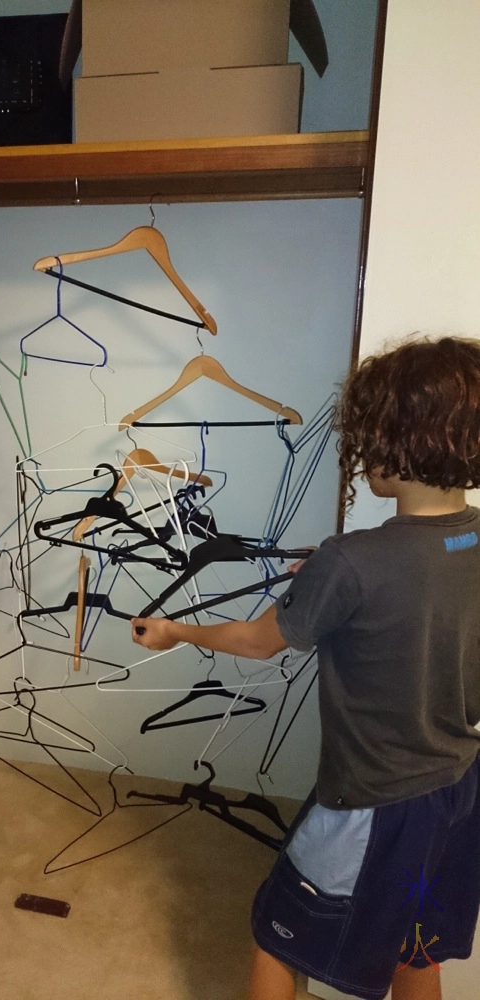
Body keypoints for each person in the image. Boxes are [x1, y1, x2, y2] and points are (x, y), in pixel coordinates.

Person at [132, 336, 480, 1000]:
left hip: (374, 802)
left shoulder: (352, 561)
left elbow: (258, 642)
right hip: (458, 791)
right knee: (415, 946)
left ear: (398, 438)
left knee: (276, 935)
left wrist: (175, 630)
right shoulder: (467, 537)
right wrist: (333, 575)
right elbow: (421, 587)